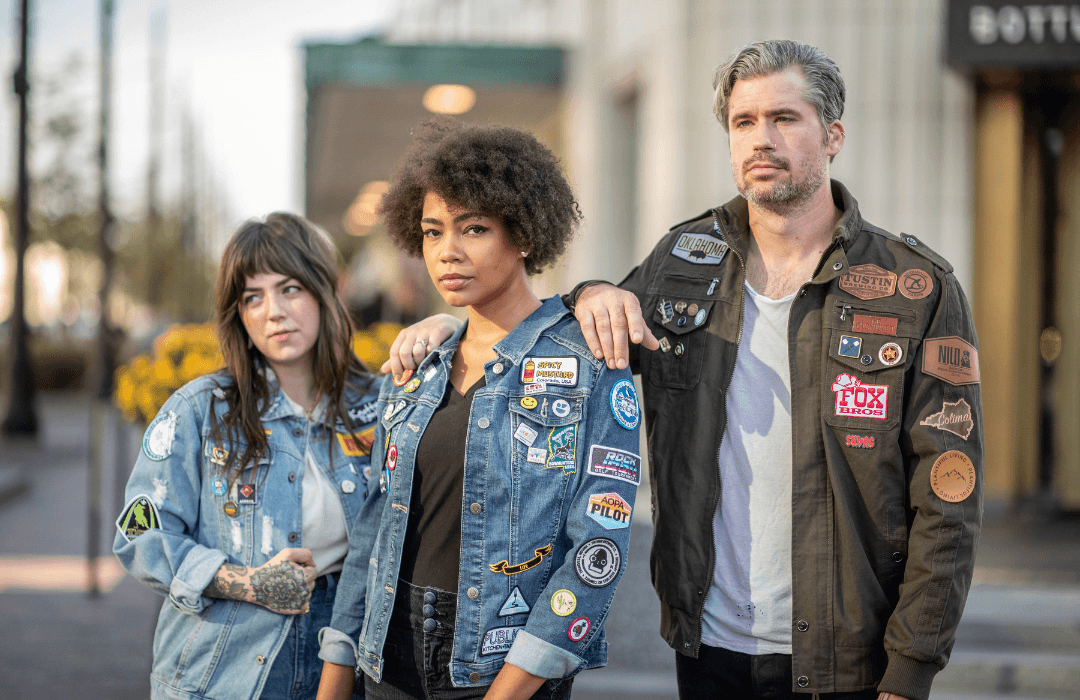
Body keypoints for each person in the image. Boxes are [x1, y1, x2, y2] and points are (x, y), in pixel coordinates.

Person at [388, 40, 984, 700]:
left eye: (784, 119)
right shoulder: (682, 260)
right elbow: (561, 341)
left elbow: (949, 501)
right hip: (707, 648)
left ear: (833, 134)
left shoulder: (914, 287)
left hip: (854, 657)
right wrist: (463, 324)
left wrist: (910, 670)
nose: (762, 139)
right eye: (743, 121)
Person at [316, 120, 642, 700]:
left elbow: (597, 546)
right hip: (386, 660)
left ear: (523, 234)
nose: (448, 252)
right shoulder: (416, 362)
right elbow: (374, 531)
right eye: (432, 231)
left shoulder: (590, 360)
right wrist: (336, 677)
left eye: (474, 229)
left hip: (504, 668)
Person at [114, 213, 376, 700]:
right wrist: (246, 582)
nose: (273, 311)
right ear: (239, 315)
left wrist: (445, 323)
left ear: (324, 292)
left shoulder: (376, 408)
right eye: (253, 298)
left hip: (347, 659)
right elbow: (138, 535)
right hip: (225, 666)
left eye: (290, 289)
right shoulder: (199, 410)